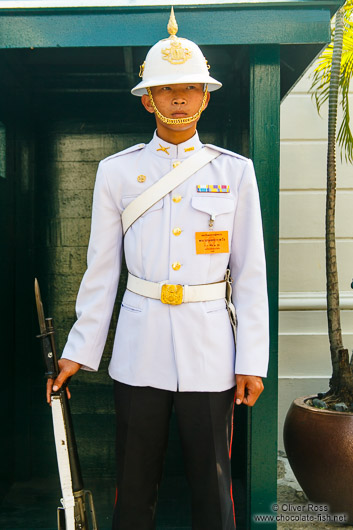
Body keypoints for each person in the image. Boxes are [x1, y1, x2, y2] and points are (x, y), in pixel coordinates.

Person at [47, 8, 269, 530]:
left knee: (213, 487)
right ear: (147, 98)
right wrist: (78, 351)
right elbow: (101, 270)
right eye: (166, 89)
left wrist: (251, 359)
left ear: (206, 96)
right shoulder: (117, 172)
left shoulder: (234, 172)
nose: (178, 99)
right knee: (134, 485)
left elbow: (250, 273)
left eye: (191, 88)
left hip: (212, 349)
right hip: (140, 345)